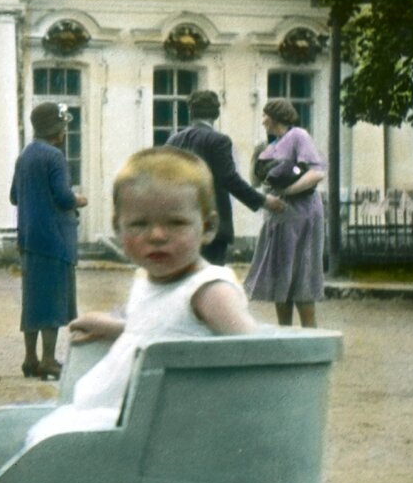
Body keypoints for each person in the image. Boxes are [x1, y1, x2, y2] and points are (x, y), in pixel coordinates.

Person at [25, 146, 258, 448]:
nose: (157, 235)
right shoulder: (147, 279)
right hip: (120, 416)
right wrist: (118, 328)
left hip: (161, 430)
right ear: (118, 229)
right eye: (139, 224)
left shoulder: (209, 290)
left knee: (50, 446)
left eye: (176, 222)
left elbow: (258, 354)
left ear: (208, 227)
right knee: (43, 437)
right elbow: (166, 330)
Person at [10, 101, 88, 379]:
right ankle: (48, 360)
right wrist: (80, 199)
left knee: (33, 300)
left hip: (29, 238)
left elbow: (14, 197)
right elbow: (64, 197)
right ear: (57, 129)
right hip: (55, 239)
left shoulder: (25, 155)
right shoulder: (54, 156)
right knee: (53, 301)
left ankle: (30, 359)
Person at [165, 89, 285, 263]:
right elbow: (229, 179)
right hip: (211, 227)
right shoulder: (218, 141)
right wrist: (264, 201)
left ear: (191, 112)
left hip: (179, 224)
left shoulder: (173, 141)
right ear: (216, 113)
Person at [244, 99, 327, 328]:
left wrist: (287, 191)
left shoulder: (299, 135)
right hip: (279, 217)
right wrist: (258, 158)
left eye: (266, 115)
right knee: (282, 278)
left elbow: (316, 172)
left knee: (302, 276)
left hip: (301, 213)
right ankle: (285, 334)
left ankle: (310, 337)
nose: (262, 121)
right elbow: (256, 180)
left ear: (277, 116)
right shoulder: (271, 144)